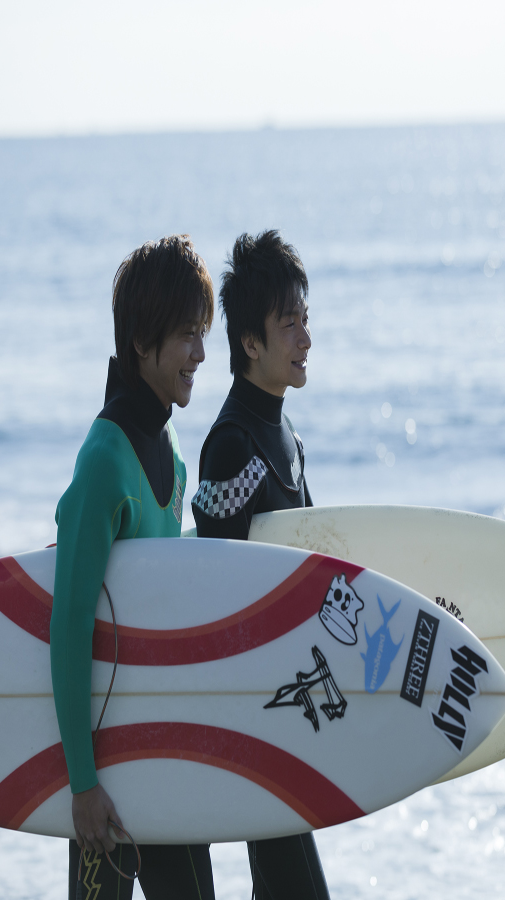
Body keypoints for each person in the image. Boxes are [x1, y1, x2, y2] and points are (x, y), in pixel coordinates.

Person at [50, 235, 216, 900]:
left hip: (164, 757)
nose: (201, 355)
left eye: (203, 335)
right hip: (109, 777)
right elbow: (67, 631)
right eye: (186, 336)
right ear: (142, 341)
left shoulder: (168, 445)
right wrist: (83, 784)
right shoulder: (103, 465)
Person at [191, 230, 328, 899]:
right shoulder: (233, 444)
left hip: (293, 700)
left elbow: (313, 567)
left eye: (306, 320)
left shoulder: (287, 436)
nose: (305, 338)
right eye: (289, 325)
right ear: (250, 343)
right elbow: (216, 587)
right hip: (255, 713)